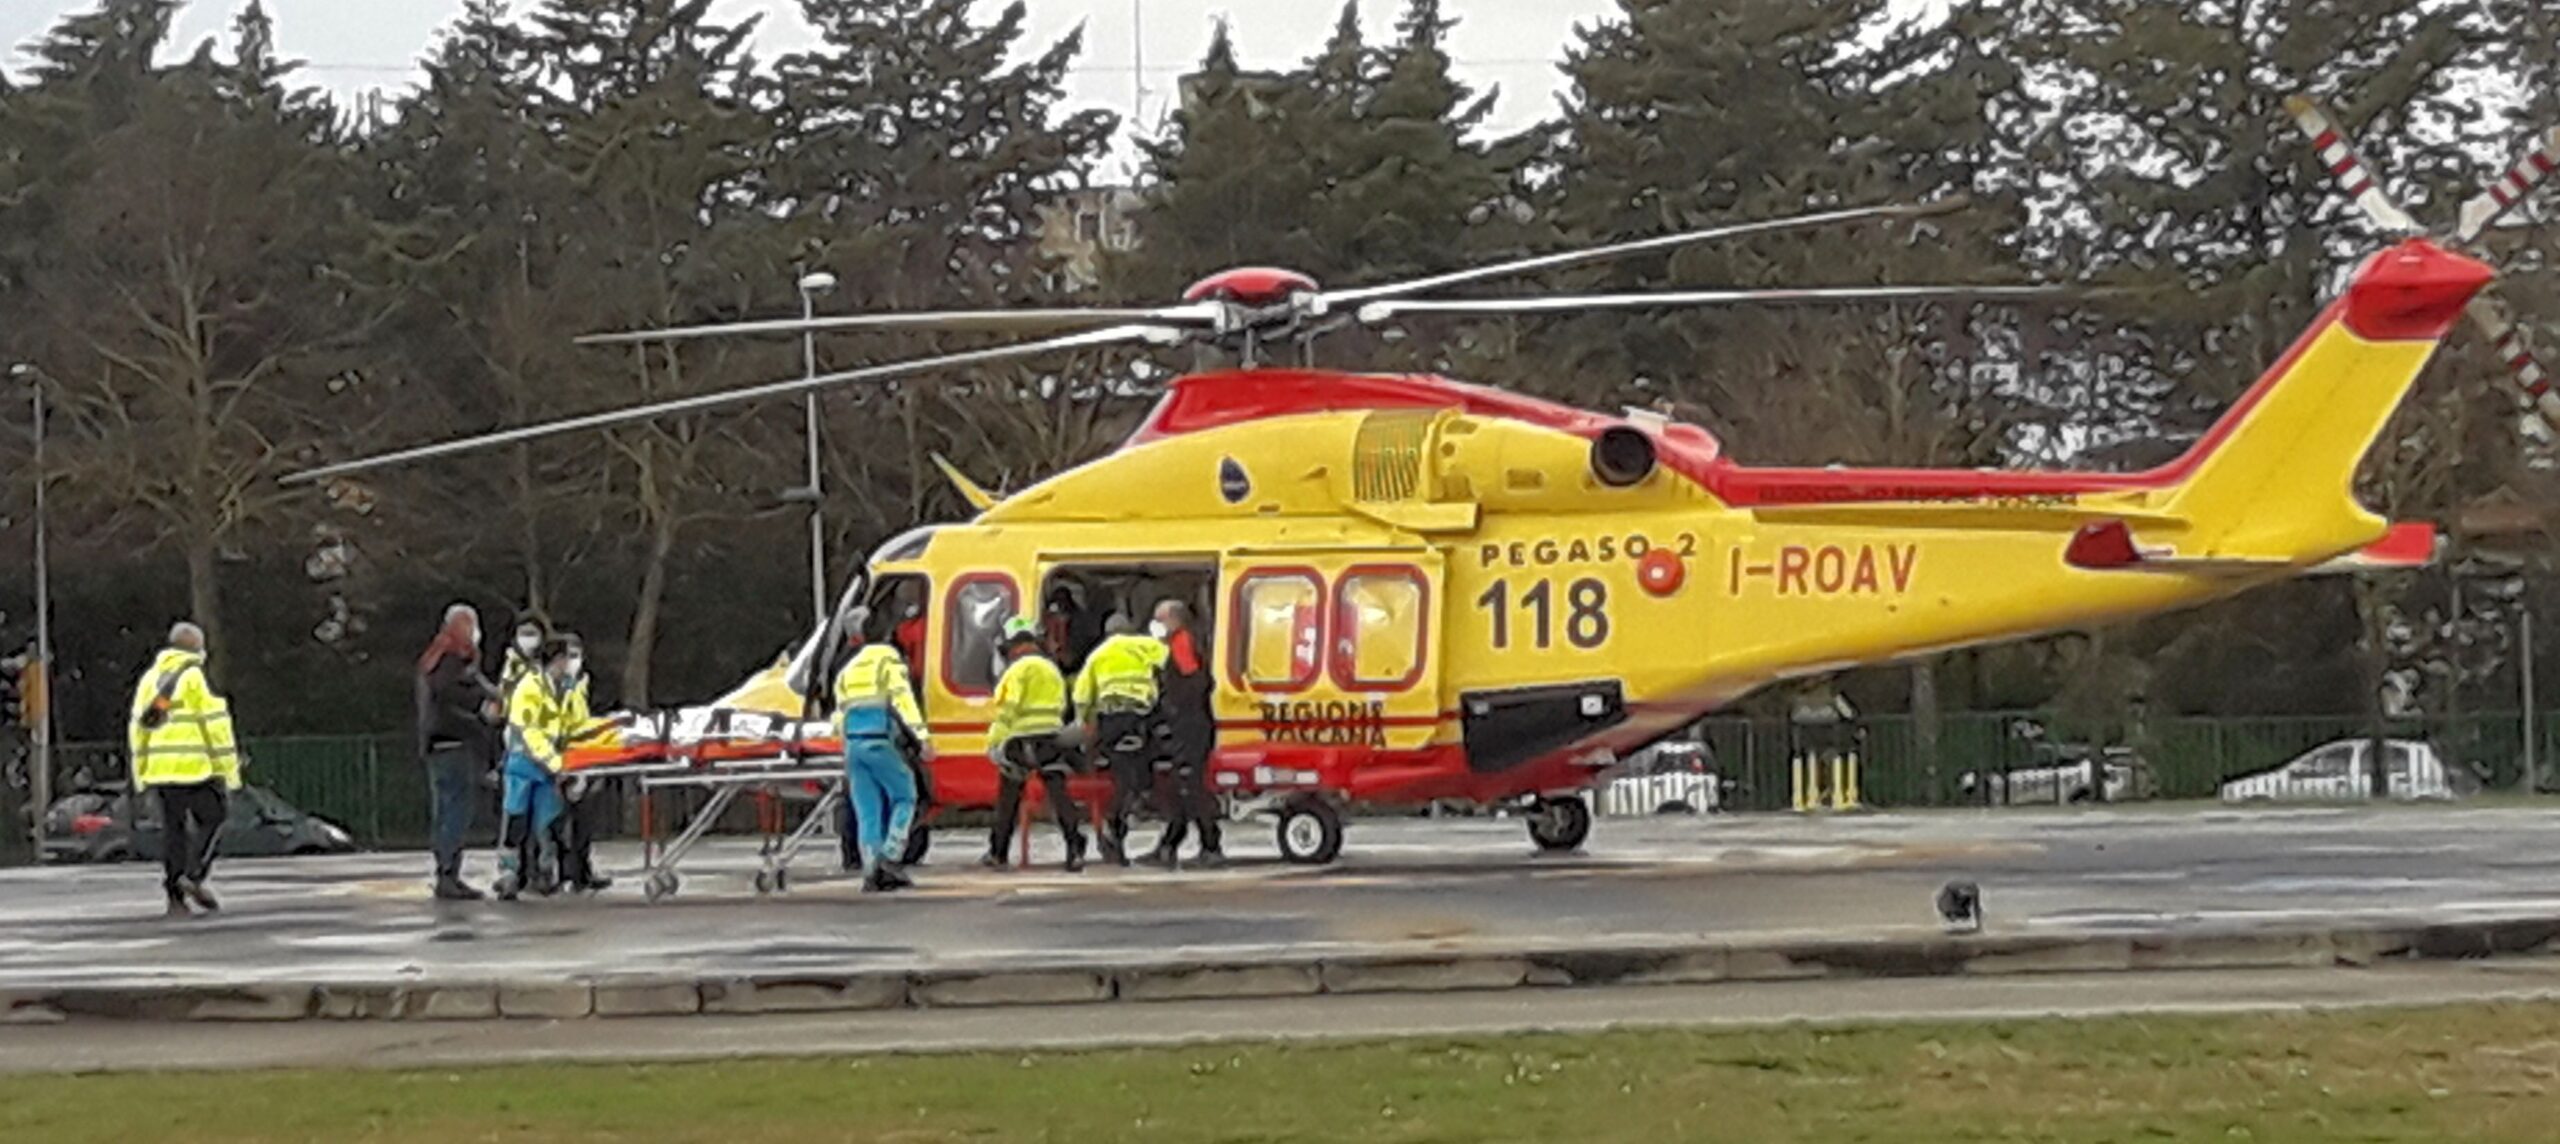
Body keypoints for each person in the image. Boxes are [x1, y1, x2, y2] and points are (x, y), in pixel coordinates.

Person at [127, 622, 240, 917]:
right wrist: (229, 768)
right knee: (215, 816)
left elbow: (138, 728)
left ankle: (175, 896)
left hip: (160, 770)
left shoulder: (150, 679)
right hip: (195, 766)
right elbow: (214, 725)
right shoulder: (193, 677)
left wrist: (141, 771)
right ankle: (193, 874)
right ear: (197, 649)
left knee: (173, 831)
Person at [836, 612, 932, 892]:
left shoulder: (848, 669)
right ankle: (890, 858)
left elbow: (839, 714)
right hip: (878, 740)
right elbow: (903, 700)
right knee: (905, 795)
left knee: (868, 810)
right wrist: (922, 738)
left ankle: (870, 870)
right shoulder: (887, 660)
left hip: (853, 747)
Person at [984, 617, 1086, 872]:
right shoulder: (1051, 670)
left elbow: (1007, 709)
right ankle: (1075, 848)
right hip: (1051, 740)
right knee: (1059, 795)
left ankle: (998, 852)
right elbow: (1063, 705)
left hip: (1019, 742)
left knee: (1008, 797)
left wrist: (995, 744)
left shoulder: (1016, 671)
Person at [416, 604, 497, 901]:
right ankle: (449, 873)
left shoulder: (432, 657)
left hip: (435, 743)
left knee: (444, 810)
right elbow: (453, 695)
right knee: (456, 810)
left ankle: (445, 870)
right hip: (453, 742)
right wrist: (480, 713)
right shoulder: (453, 658)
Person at [1073, 612, 1166, 866]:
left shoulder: (1098, 655)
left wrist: (1086, 723)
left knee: (1117, 771)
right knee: (1146, 761)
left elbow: (1082, 696)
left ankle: (1117, 819)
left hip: (1111, 720)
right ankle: (1142, 796)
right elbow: (1173, 667)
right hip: (1142, 717)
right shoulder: (1146, 645)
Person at [1143, 599, 1223, 869]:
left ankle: (1210, 845)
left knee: (1191, 785)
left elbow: (1194, 681)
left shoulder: (1181, 642)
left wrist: (1173, 708)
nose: (1157, 625)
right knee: (1181, 786)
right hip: (1191, 723)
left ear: (1174, 620)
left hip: (1189, 725)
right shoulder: (1187, 641)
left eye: (1160, 619)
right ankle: (1169, 845)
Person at [497, 637, 578, 900]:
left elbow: (571, 723)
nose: (569, 663)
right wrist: (556, 764)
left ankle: (543, 872)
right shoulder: (530, 687)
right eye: (566, 658)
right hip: (526, 763)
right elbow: (529, 731)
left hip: (546, 766)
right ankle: (510, 874)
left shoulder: (564, 688)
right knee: (516, 820)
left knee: (547, 822)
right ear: (556, 660)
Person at [548, 635, 613, 894]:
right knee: (557, 819)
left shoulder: (587, 683)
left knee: (584, 819)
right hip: (561, 753)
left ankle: (581, 870)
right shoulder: (551, 685)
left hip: (585, 754)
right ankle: (562, 870)